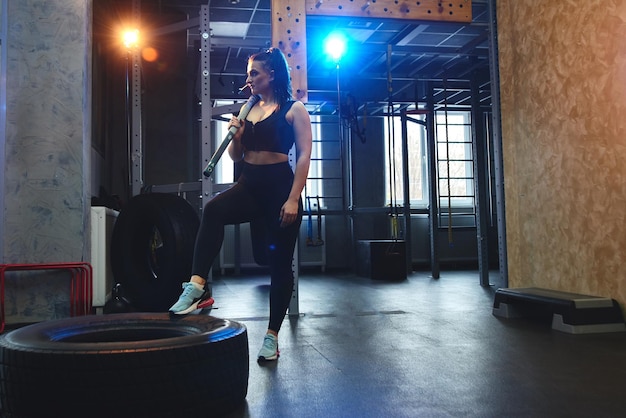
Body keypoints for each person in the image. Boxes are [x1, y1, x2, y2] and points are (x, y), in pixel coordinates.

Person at [169, 47, 312, 362]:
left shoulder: (293, 109)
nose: (248, 80)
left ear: (271, 74)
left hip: (279, 189)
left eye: (254, 74)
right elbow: (236, 157)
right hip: (249, 183)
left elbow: (303, 155)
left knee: (278, 264)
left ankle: (272, 336)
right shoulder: (249, 110)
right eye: (248, 74)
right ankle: (197, 286)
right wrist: (236, 135)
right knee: (214, 210)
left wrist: (293, 198)